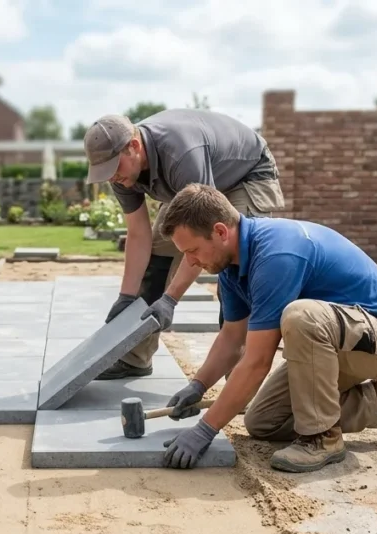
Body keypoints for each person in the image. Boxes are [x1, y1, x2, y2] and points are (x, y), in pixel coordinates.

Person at [156, 183, 377, 473]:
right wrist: (198, 385)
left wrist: (204, 430)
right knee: (263, 421)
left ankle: (323, 438)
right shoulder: (231, 267)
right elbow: (233, 338)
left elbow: (258, 361)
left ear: (221, 231)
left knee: (300, 316)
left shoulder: (275, 255)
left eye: (193, 250)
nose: (192, 261)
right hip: (341, 342)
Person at [82, 109, 285, 380]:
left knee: (234, 268)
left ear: (133, 146)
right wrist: (127, 297)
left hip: (244, 176)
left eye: (114, 168)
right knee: (157, 260)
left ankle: (240, 381)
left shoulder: (180, 153)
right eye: (104, 171)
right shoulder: (121, 172)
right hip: (197, 184)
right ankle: (134, 358)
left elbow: (201, 237)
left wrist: (170, 300)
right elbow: (139, 234)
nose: (111, 177)